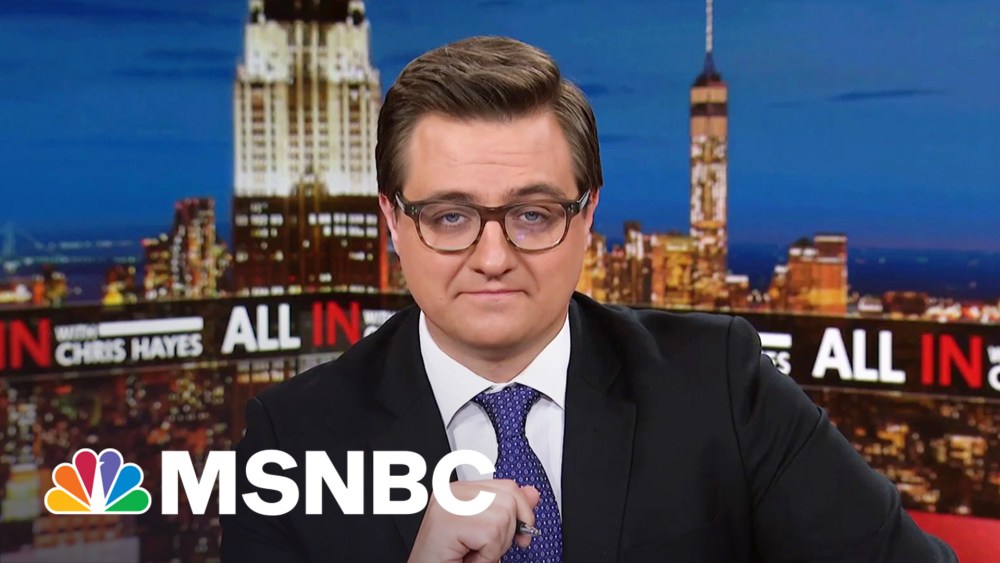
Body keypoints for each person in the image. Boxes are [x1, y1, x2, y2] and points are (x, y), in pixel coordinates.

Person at [221, 36, 956, 562]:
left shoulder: (721, 383)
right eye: (449, 217)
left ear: (587, 213)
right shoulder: (295, 441)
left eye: (532, 214)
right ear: (392, 220)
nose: (493, 257)